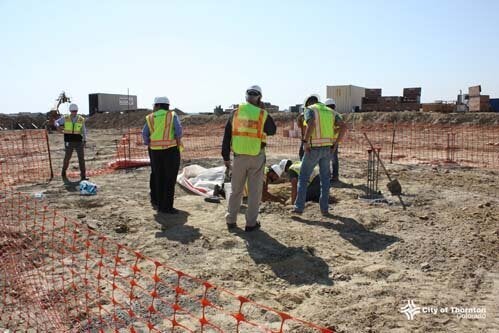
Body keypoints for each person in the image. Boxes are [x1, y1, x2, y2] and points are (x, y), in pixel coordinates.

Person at [221, 85, 276, 232]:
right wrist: (263, 110)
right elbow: (272, 130)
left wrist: (225, 157)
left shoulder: (235, 113)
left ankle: (231, 221)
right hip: (256, 156)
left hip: (239, 157)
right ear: (260, 98)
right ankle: (251, 224)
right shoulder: (261, 114)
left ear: (246, 97)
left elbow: (227, 136)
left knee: (236, 190)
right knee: (254, 192)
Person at [292, 95, 335, 215]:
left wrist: (305, 142)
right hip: (327, 148)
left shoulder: (310, 110)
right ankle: (324, 208)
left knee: (303, 177)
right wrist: (335, 144)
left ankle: (299, 207)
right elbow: (342, 126)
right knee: (325, 179)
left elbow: (310, 125)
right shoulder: (329, 111)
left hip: (313, 148)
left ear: (308, 104)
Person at [142, 96, 183, 214]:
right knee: (169, 179)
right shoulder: (172, 115)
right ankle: (167, 207)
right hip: (170, 150)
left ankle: (159, 204)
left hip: (154, 151)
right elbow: (179, 131)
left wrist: (150, 143)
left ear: (158, 105)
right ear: (167, 106)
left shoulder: (150, 117)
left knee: (158, 177)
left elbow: (144, 134)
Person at [54, 103, 87, 182]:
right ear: (70, 111)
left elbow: (84, 130)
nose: (74, 112)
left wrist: (85, 140)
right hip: (69, 141)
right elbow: (56, 122)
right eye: (73, 111)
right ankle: (63, 172)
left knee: (81, 159)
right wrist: (57, 126)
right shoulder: (65, 118)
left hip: (79, 141)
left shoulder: (81, 119)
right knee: (67, 158)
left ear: (77, 111)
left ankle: (83, 176)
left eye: (75, 111)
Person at [324, 98, 347, 183]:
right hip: (335, 141)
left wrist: (332, 131)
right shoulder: (337, 115)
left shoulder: (327, 115)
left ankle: (328, 176)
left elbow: (340, 127)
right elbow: (341, 127)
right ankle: (335, 177)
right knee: (334, 159)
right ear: (334, 106)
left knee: (326, 160)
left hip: (327, 141)